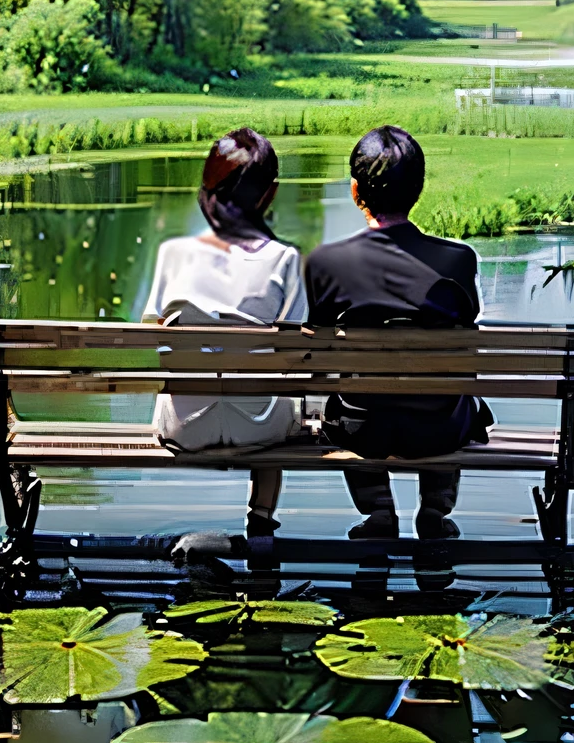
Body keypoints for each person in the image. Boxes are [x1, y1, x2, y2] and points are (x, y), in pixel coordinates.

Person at [304, 125, 491, 541]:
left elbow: (315, 344)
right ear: (418, 190)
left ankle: (378, 510)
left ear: (356, 192)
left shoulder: (326, 263)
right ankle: (435, 509)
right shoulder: (458, 261)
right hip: (438, 428)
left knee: (344, 404)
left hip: (361, 427)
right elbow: (466, 332)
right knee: (450, 394)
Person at [142, 128, 304, 538]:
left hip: (185, 428)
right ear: (269, 194)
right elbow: (294, 349)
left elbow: (151, 333)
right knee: (281, 392)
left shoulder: (172, 254)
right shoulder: (285, 259)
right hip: (261, 428)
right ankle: (261, 517)